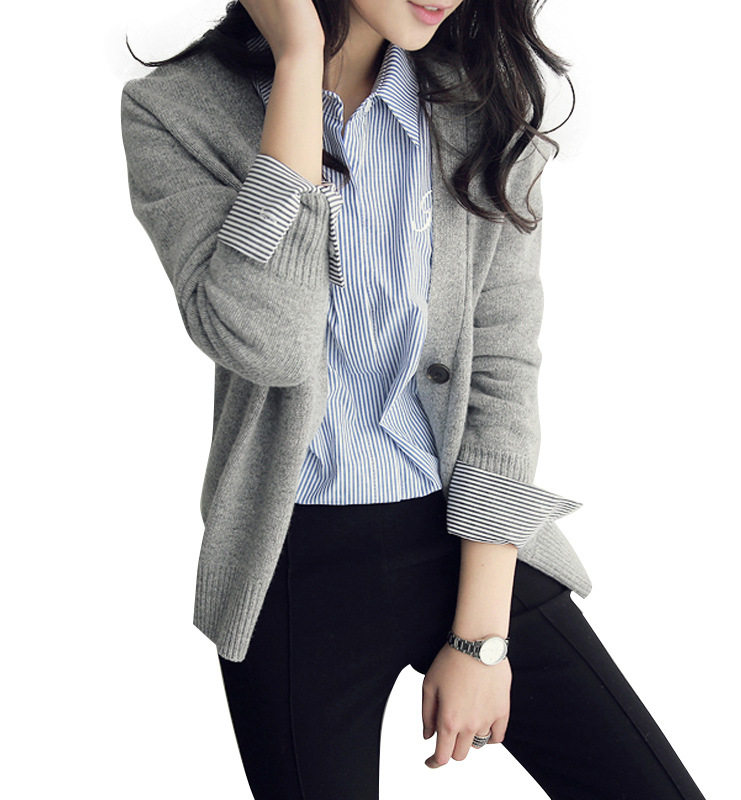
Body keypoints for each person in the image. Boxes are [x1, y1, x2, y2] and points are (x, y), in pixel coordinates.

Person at [120, 1, 708, 797]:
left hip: (470, 541)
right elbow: (269, 343)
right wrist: (299, 62)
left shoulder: (479, 104)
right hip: (293, 571)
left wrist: (482, 641)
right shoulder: (179, 111)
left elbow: (502, 372)